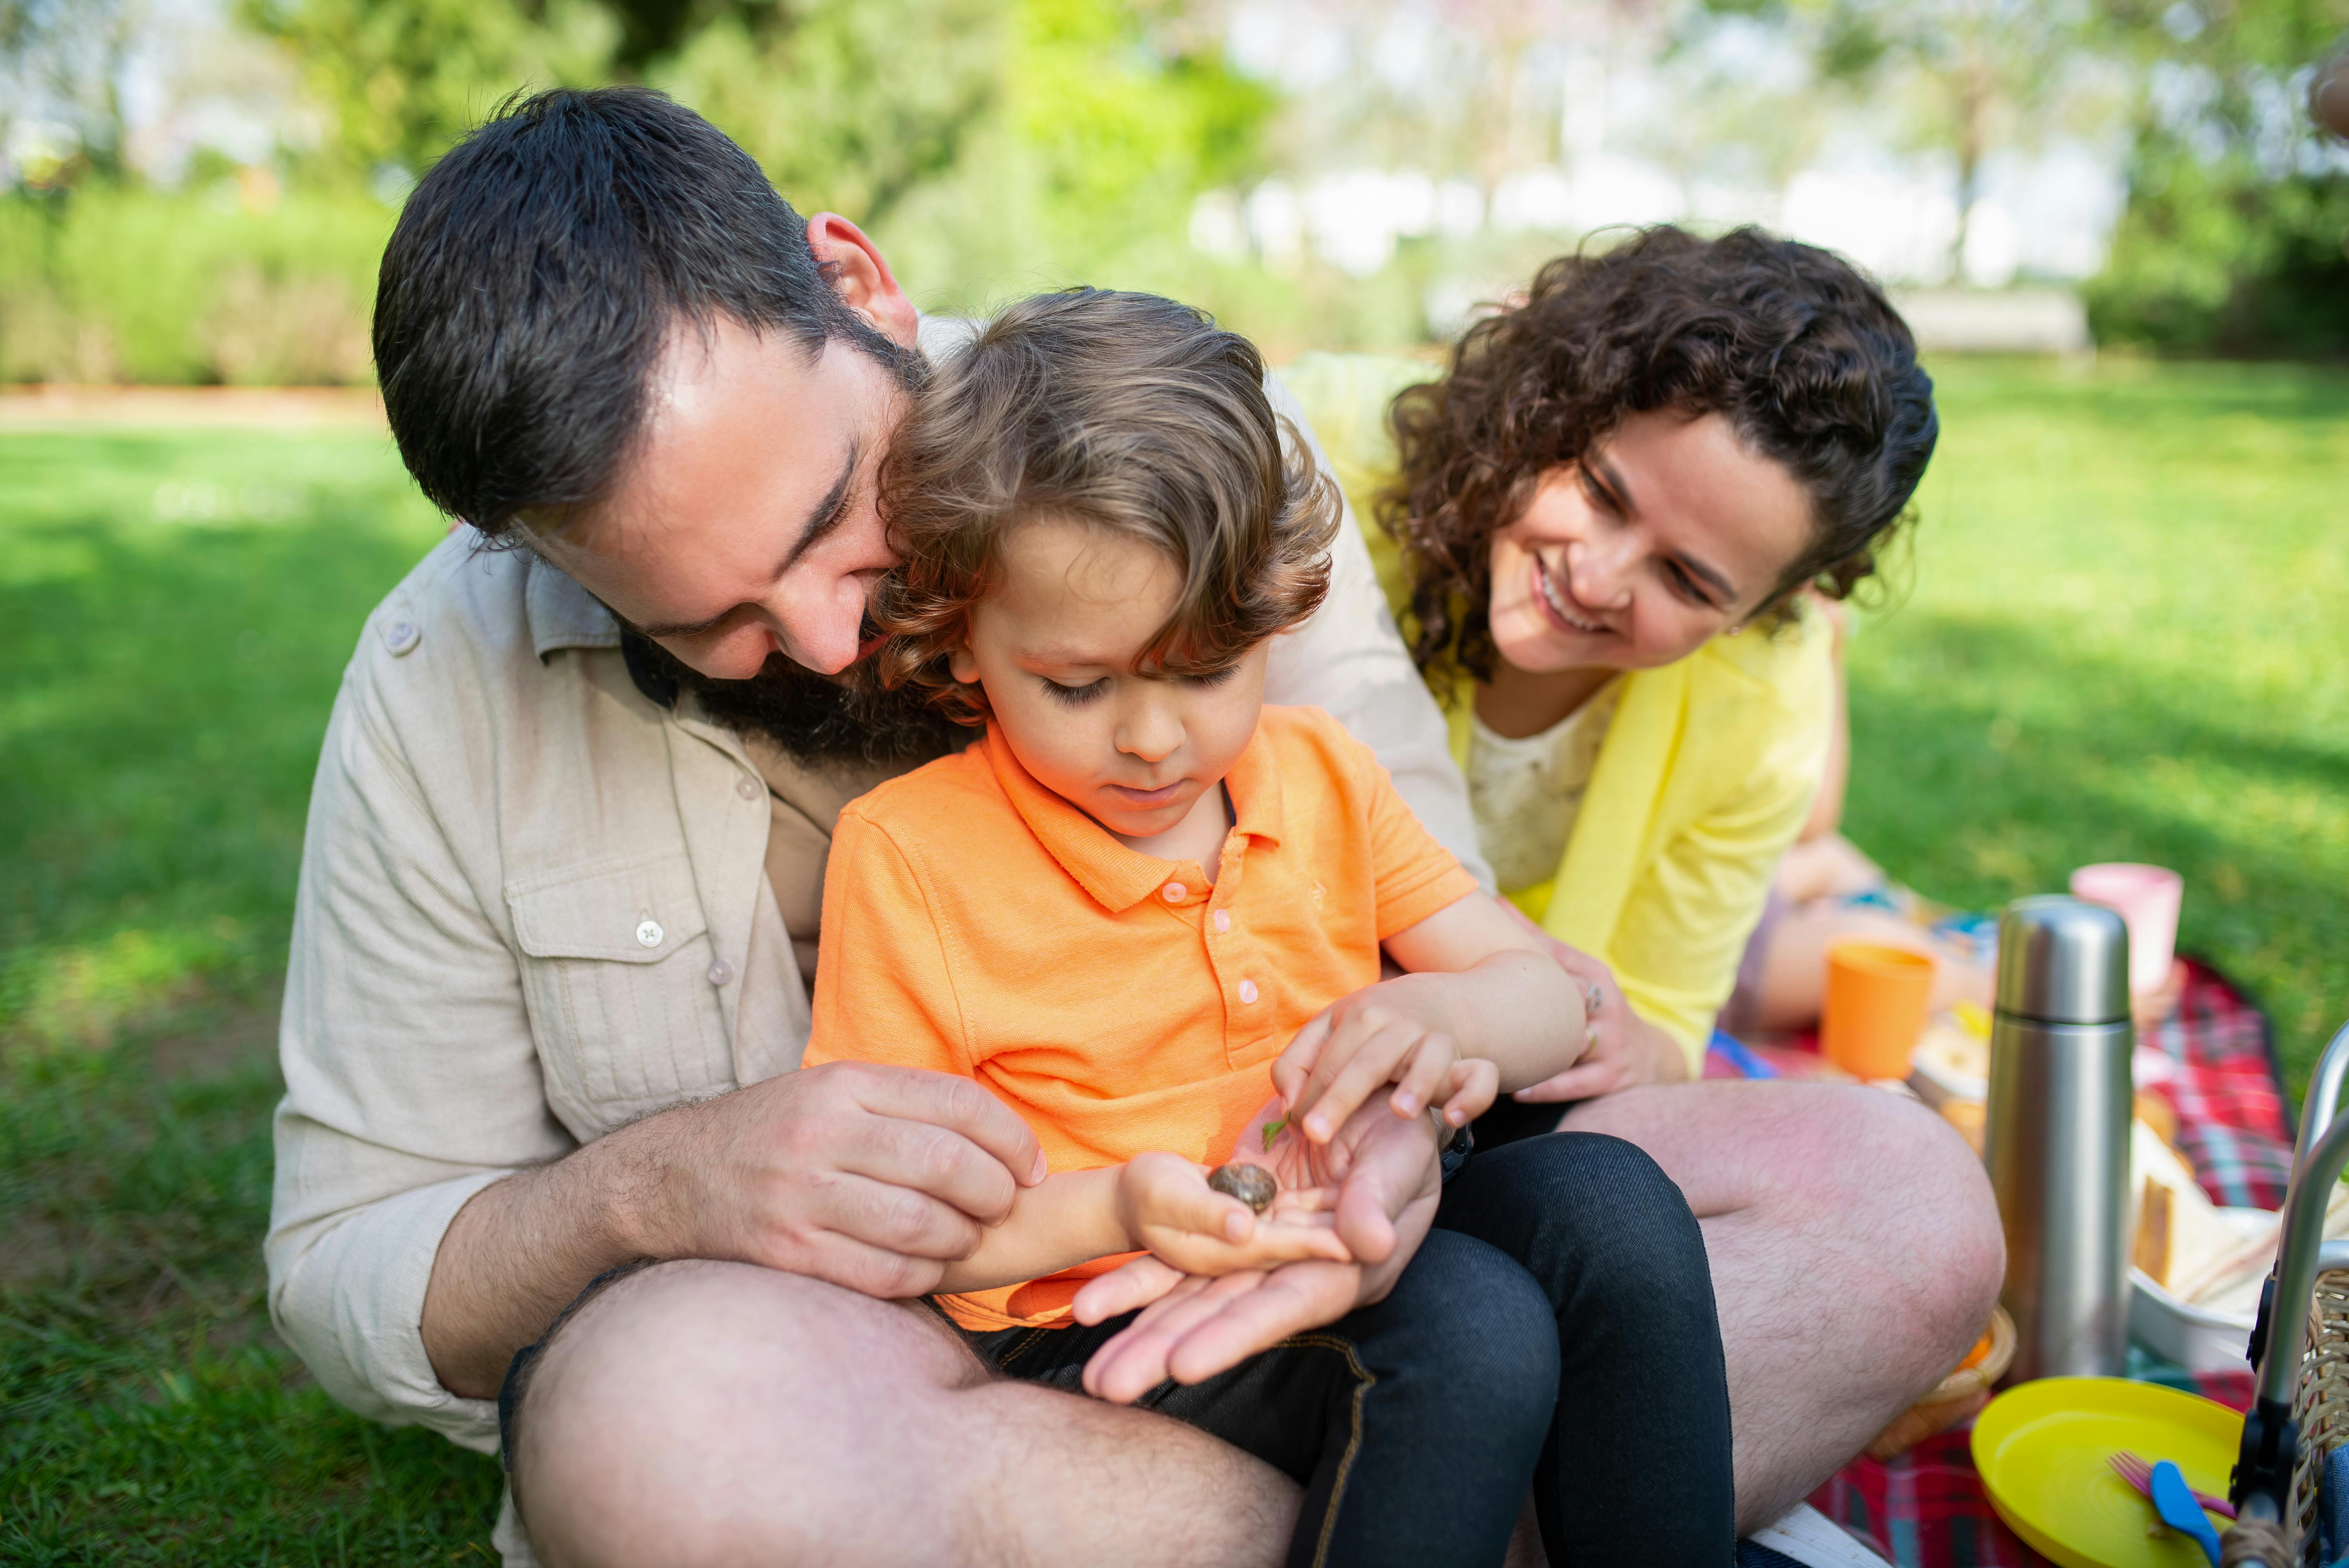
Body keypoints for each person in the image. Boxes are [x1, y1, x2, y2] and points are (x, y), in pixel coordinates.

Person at [266, 86, 1994, 1566]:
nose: (822, 638)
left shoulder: (1188, 465)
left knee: (1903, 1198)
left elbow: (1445, 933)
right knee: (657, 1431)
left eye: (824, 522)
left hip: (1343, 1258)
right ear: (539, 553)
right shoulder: (442, 683)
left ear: (855, 285)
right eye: (697, 617)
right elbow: (349, 1260)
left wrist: (1408, 1123)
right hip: (912, 1363)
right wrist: (656, 1186)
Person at [796, 288, 1732, 1566]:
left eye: (1204, 671)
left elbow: (1548, 998)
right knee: (1470, 1324)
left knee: (1613, 1202)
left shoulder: (1320, 774)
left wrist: (1448, 1014)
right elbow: (908, 1219)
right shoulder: (911, 857)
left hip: (1346, 1212)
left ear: (1272, 622)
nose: (1152, 737)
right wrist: (1124, 1205)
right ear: (964, 641)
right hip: (1100, 1300)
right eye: (1078, 685)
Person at [1282, 226, 2003, 1500]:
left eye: (1687, 578)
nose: (1598, 576)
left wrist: (1613, 1029)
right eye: (1604, 492)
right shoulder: (1321, 463)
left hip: (1483, 1114)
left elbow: (1669, 1026)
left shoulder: (1758, 695)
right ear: (1551, 404)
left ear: (1767, 608)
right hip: (1238, 1069)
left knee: (1926, 1208)